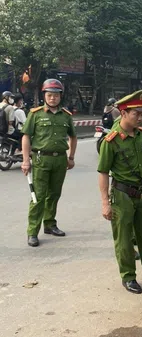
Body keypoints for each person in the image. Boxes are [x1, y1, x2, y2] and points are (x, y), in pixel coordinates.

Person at [97, 89, 142, 294]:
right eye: (137, 114)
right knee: (124, 239)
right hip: (122, 195)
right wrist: (105, 203)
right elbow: (103, 172)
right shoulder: (112, 140)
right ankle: (128, 276)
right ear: (123, 113)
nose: (141, 117)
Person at [20, 79, 77, 247]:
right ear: (44, 95)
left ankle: (50, 224)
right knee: (37, 197)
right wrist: (25, 160)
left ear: (61, 97)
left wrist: (71, 157)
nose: (53, 98)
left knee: (54, 194)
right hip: (40, 159)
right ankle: (32, 232)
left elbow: (73, 136)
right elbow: (26, 136)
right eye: (50, 95)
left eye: (56, 95)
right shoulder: (35, 114)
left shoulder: (66, 115)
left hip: (60, 159)